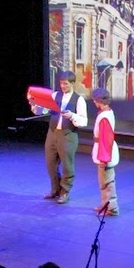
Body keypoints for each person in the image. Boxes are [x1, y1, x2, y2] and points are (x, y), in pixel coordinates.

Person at [28, 71, 87, 204]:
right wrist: (34, 104)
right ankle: (55, 189)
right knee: (50, 164)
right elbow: (42, 111)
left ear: (72, 83)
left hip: (68, 135)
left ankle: (65, 192)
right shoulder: (55, 95)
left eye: (66, 84)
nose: (63, 86)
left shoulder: (79, 100)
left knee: (67, 166)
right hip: (53, 133)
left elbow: (84, 121)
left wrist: (72, 116)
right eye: (61, 84)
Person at [91, 88, 119, 216]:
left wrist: (103, 158)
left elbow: (105, 139)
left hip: (105, 154)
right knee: (103, 181)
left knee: (107, 182)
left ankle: (112, 208)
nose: (93, 102)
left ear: (99, 100)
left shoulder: (104, 117)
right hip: (103, 151)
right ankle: (105, 204)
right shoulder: (105, 113)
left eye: (95, 100)